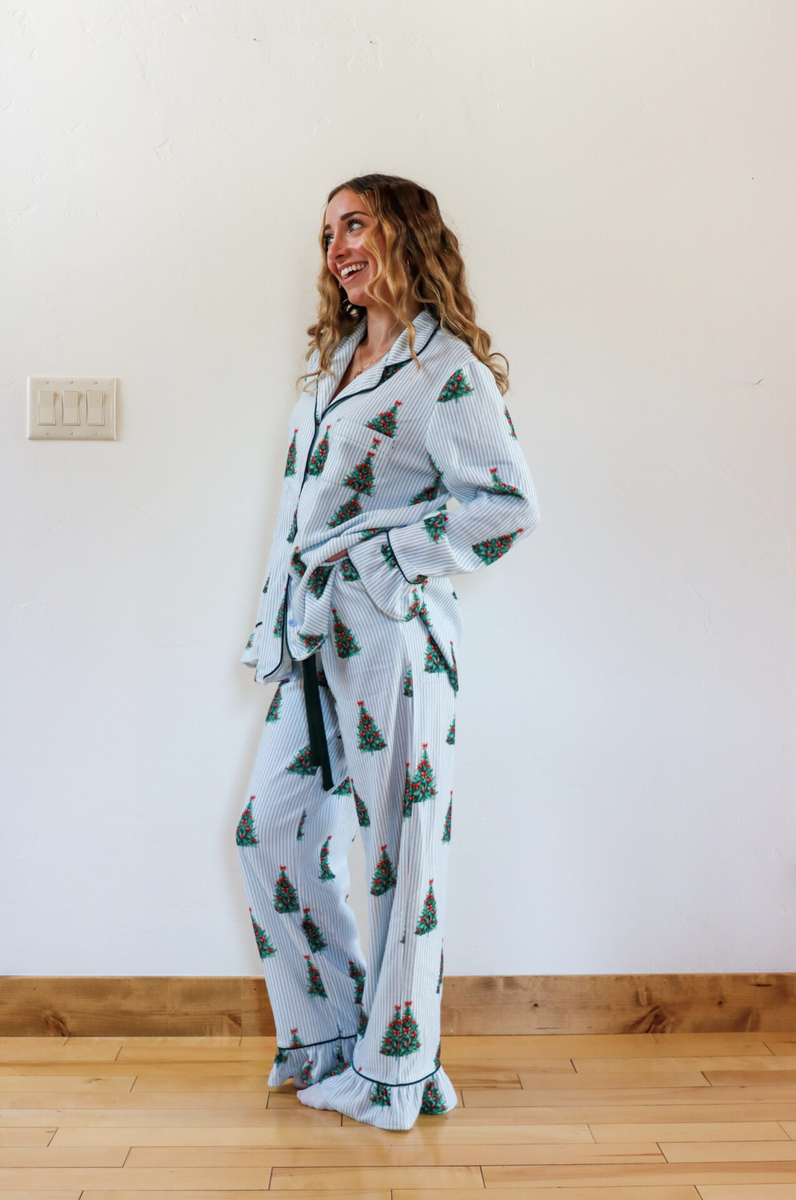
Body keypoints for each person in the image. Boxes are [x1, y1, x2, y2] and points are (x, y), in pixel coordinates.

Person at [236, 173, 539, 1131]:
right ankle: (332, 1040)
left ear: (405, 233)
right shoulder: (337, 364)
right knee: (268, 831)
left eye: (354, 224)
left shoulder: (445, 366)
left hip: (393, 636)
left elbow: (507, 505)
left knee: (400, 855)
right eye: (326, 233)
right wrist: (275, 620)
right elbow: (298, 514)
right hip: (317, 634)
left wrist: (383, 556)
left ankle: (394, 1074)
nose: (335, 248)